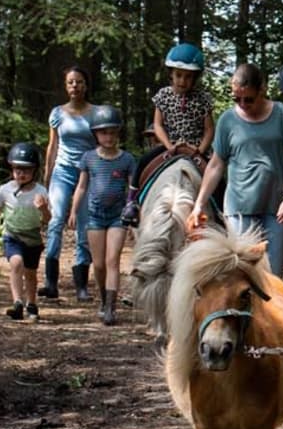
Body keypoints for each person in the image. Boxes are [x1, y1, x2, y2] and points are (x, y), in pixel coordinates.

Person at [189, 63, 283, 276]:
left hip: (276, 207)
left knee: (272, 274)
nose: (242, 104)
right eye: (236, 99)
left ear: (262, 90)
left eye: (248, 99)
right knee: (243, 274)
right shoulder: (227, 121)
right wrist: (199, 204)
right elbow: (215, 165)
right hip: (239, 208)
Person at [127, 42, 214, 226]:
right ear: (171, 75)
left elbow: (209, 129)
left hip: (195, 147)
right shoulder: (163, 96)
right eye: (179, 75)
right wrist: (168, 145)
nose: (182, 81)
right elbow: (158, 125)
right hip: (171, 145)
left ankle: (222, 211)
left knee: (217, 174)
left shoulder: (203, 99)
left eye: (188, 77)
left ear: (195, 78)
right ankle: (131, 203)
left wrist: (199, 151)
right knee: (142, 162)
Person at [73, 106, 137, 325]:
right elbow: (82, 187)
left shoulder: (127, 159)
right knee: (98, 264)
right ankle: (103, 298)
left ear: (118, 133)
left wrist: (135, 212)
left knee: (112, 260)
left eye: (112, 132)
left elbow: (132, 189)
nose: (108, 137)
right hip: (95, 216)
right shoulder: (88, 158)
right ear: (96, 135)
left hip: (118, 216)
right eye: (103, 133)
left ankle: (111, 307)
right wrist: (73, 211)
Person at [41, 65, 97, 302]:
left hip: (88, 173)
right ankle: (50, 282)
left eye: (79, 82)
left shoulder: (97, 113)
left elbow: (102, 145)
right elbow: (52, 146)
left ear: (86, 85)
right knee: (55, 222)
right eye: (71, 82)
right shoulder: (57, 113)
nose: (75, 86)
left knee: (84, 227)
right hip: (62, 172)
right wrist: (47, 176)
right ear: (66, 86)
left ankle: (81, 285)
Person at [0, 142, 52, 322]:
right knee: (16, 263)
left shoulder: (41, 191)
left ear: (34, 171)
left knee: (30, 273)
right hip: (12, 235)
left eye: (26, 170)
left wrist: (44, 209)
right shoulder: (5, 189)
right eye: (17, 169)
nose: (21, 174)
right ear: (12, 169)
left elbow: (47, 220)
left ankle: (32, 303)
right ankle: (17, 303)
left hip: (32, 238)